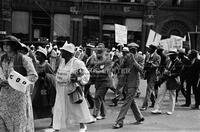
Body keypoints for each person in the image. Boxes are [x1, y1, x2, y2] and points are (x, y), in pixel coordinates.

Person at [0, 35, 38, 132]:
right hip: (4, 97)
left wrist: (16, 80)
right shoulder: (2, 59)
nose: (5, 46)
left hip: (19, 98)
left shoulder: (23, 58)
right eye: (4, 43)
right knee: (3, 123)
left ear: (14, 45)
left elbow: (33, 76)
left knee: (18, 125)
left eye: (8, 44)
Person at [53, 42, 94, 132]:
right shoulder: (61, 61)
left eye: (63, 51)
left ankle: (82, 125)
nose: (61, 53)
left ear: (68, 53)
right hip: (60, 89)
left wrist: (78, 78)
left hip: (72, 89)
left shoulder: (78, 63)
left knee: (77, 107)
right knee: (59, 107)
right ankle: (57, 126)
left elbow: (86, 74)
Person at [112, 42, 144, 129]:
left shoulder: (140, 57)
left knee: (126, 102)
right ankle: (139, 117)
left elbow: (141, 70)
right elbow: (121, 69)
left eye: (133, 50)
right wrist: (123, 62)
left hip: (134, 83)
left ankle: (119, 121)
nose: (131, 52)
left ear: (136, 50)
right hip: (126, 82)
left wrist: (133, 61)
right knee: (131, 101)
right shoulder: (126, 57)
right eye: (130, 50)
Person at [151, 49, 182, 115]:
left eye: (171, 55)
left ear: (175, 55)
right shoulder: (168, 61)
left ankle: (171, 110)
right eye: (169, 55)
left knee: (172, 95)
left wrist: (171, 74)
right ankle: (157, 109)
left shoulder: (179, 63)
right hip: (165, 79)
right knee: (160, 93)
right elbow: (165, 68)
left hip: (173, 80)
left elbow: (179, 73)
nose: (170, 57)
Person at [32, 47, 56, 125]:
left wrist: (45, 76)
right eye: (36, 54)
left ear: (43, 56)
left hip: (44, 88)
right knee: (34, 104)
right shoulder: (36, 64)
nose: (37, 56)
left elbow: (53, 76)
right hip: (36, 87)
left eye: (38, 55)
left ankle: (53, 120)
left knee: (46, 104)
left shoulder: (47, 65)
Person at [92, 43, 113, 120]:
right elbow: (93, 68)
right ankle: (103, 114)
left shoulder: (108, 60)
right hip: (98, 81)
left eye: (100, 48)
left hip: (105, 81)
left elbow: (106, 71)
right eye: (97, 48)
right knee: (101, 98)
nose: (98, 49)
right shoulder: (96, 59)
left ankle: (94, 115)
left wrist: (96, 72)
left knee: (97, 97)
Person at [141, 43, 161, 110]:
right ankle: (153, 101)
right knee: (150, 90)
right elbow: (145, 64)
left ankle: (144, 105)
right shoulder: (148, 55)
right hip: (148, 74)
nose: (148, 49)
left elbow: (157, 65)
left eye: (150, 48)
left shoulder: (158, 56)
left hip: (153, 75)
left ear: (153, 49)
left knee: (148, 90)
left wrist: (151, 64)